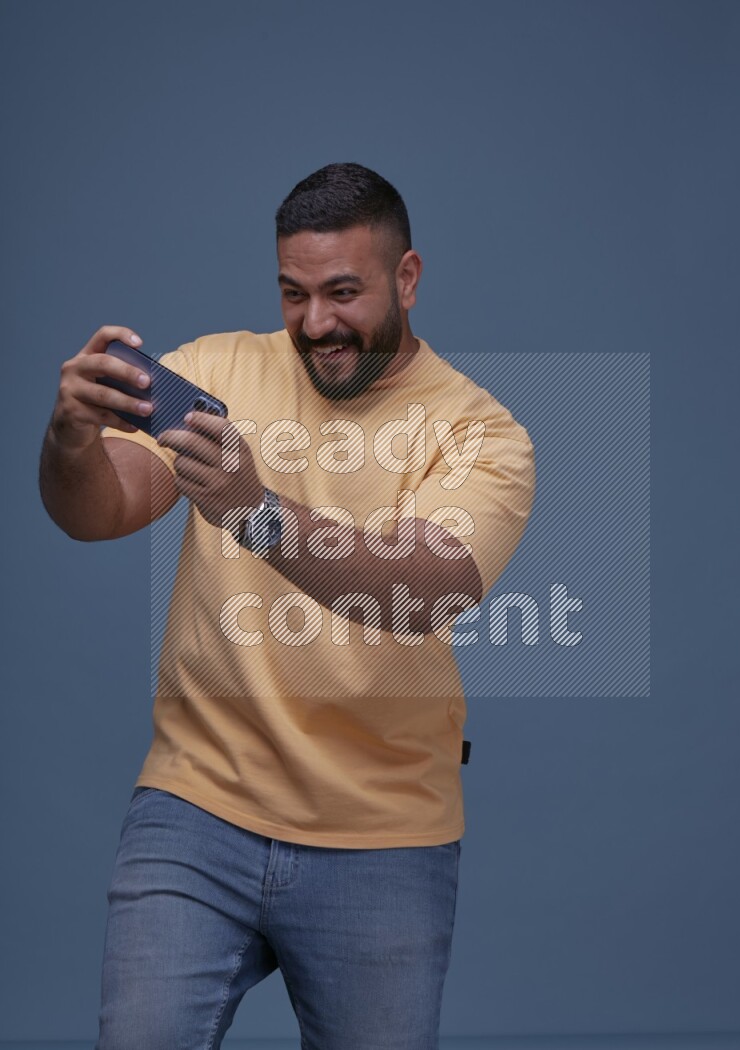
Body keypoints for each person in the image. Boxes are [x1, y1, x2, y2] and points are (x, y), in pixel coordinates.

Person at [39, 163, 535, 1050]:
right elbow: (97, 510)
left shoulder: (480, 432)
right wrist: (68, 438)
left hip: (383, 833)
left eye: (344, 292)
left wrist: (256, 516)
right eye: (294, 293)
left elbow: (426, 587)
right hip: (197, 806)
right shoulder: (217, 368)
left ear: (407, 277)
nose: (315, 324)